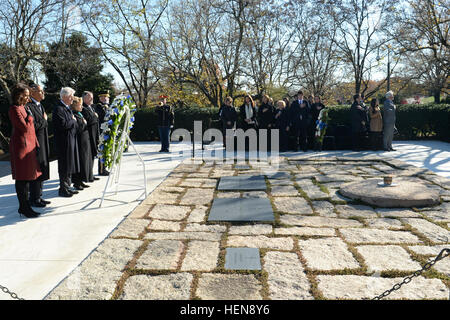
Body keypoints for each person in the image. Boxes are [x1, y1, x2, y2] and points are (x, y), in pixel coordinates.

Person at [9, 83, 42, 218]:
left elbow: (32, 130)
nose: (28, 99)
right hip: (21, 148)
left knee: (28, 178)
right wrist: (29, 117)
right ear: (19, 95)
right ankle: (24, 207)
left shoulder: (24, 107)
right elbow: (24, 128)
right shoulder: (14, 109)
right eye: (26, 96)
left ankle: (26, 206)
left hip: (29, 146)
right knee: (22, 179)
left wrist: (36, 143)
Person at [27, 84, 51, 208]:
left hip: (43, 142)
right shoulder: (29, 106)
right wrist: (44, 120)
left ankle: (39, 196)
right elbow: (32, 126)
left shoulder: (39, 105)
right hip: (35, 143)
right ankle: (34, 198)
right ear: (33, 93)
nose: (43, 93)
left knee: (42, 169)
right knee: (36, 170)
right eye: (41, 91)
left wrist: (43, 121)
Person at [53, 87, 79, 197]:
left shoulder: (67, 108)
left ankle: (68, 186)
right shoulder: (59, 109)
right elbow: (63, 125)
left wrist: (72, 121)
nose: (73, 98)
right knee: (64, 166)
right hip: (63, 142)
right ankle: (63, 188)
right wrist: (73, 120)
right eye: (71, 96)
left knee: (69, 165)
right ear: (64, 96)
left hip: (70, 140)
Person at [71, 97, 92, 190]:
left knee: (83, 162)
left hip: (84, 141)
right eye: (80, 105)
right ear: (75, 105)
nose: (82, 107)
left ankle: (81, 181)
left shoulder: (79, 113)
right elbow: (77, 127)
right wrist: (84, 123)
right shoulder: (74, 114)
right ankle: (77, 182)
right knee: (79, 161)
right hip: (79, 141)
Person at [81, 91, 100, 182]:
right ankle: (87, 175)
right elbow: (89, 119)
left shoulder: (91, 107)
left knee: (92, 154)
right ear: (84, 98)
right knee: (89, 155)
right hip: (88, 134)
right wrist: (95, 117)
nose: (92, 99)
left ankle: (90, 174)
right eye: (89, 97)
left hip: (94, 133)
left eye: (92, 97)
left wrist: (95, 117)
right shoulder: (83, 108)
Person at [95, 90, 110, 175]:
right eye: (103, 97)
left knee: (106, 150)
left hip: (107, 130)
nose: (105, 99)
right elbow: (102, 117)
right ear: (100, 98)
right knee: (102, 150)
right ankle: (101, 169)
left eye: (106, 97)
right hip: (101, 131)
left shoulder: (108, 106)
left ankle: (104, 167)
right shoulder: (99, 106)